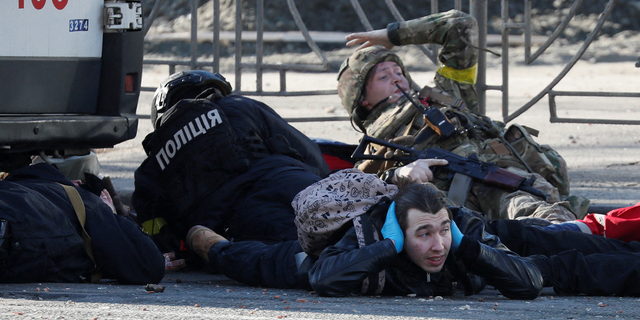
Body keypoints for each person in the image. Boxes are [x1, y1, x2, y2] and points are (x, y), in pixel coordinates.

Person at [336, 10, 589, 223]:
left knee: (552, 222)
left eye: (398, 70)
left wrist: (393, 35)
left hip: (510, 181)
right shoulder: (376, 143)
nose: (396, 77)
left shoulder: (447, 91)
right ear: (363, 100)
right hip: (452, 212)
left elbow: (459, 24)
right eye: (383, 76)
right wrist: (400, 174)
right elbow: (359, 191)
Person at [132, 70, 330, 288]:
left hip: (244, 222)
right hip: (295, 183)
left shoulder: (151, 166)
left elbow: (159, 237)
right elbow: (314, 159)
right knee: (350, 230)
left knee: (315, 259)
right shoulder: (240, 106)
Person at [309, 178, 640, 297]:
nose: (437, 245)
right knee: (571, 264)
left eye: (440, 231)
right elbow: (323, 279)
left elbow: (527, 277)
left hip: (488, 237)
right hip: (497, 257)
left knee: (562, 239)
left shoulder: (460, 231)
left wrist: (463, 243)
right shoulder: (367, 238)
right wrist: (389, 247)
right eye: (423, 235)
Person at [0, 156, 165, 284]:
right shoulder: (89, 206)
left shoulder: (27, 182)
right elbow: (150, 265)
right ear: (77, 182)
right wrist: (110, 215)